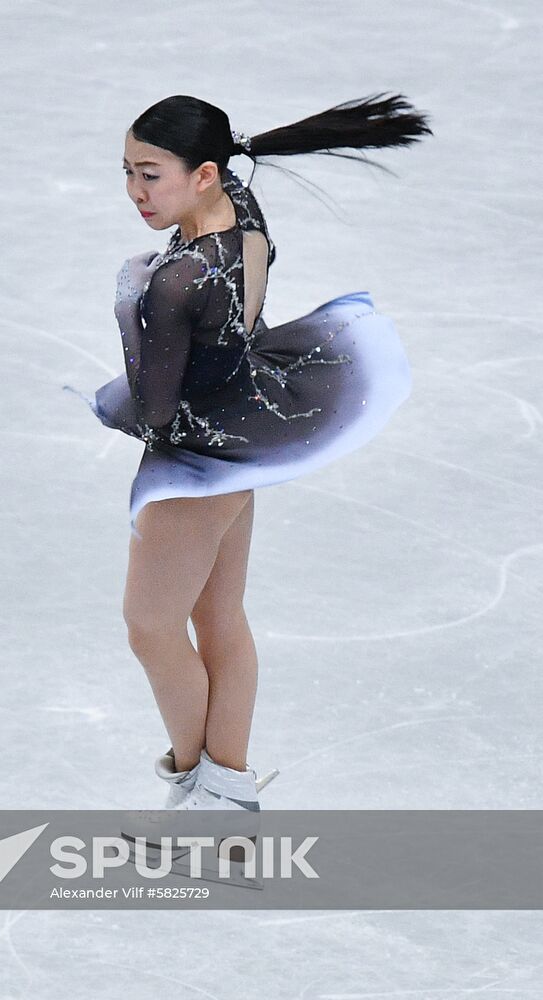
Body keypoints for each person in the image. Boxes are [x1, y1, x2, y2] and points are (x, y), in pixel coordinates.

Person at [64, 92, 432, 819]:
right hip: (250, 422)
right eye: (128, 173)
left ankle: (197, 785)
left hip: (201, 457)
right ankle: (224, 796)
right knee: (218, 613)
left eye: (150, 175)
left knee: (151, 627)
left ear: (202, 174)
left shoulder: (174, 280)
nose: (136, 193)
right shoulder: (240, 205)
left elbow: (158, 409)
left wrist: (130, 301)